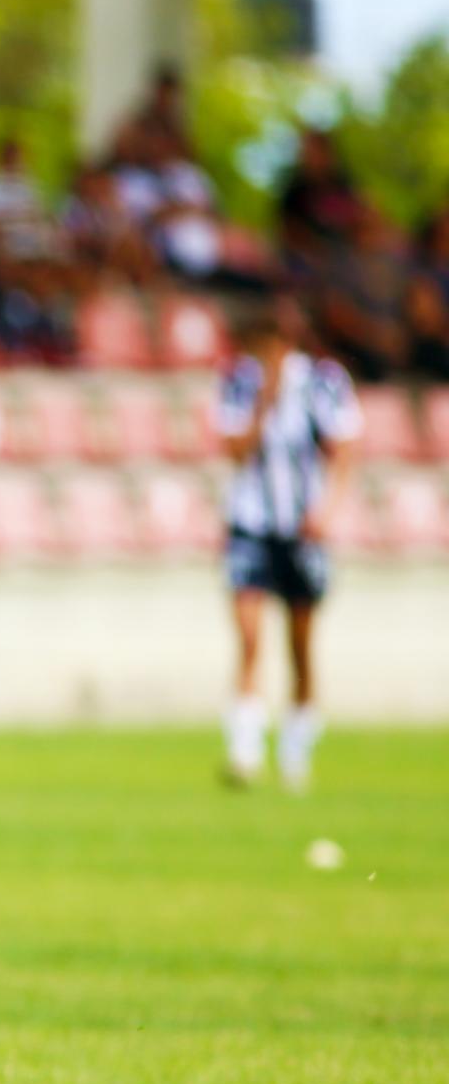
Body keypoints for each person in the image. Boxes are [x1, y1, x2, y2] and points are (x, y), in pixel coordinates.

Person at [218, 301, 359, 790]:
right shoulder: (239, 382)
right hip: (251, 523)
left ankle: (296, 751)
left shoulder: (324, 381)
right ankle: (245, 750)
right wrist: (262, 403)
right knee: (249, 636)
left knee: (300, 647)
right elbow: (234, 451)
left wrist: (327, 511)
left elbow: (343, 451)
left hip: (301, 529)